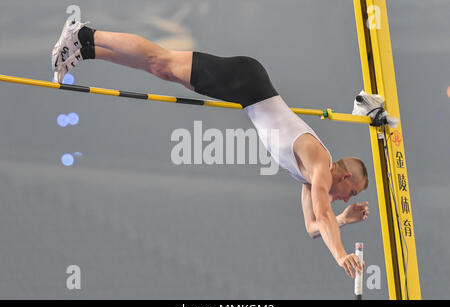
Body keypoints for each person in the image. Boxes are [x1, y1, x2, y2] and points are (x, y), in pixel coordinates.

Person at [52, 19, 370, 278]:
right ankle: (82, 34)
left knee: (159, 68)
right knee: (160, 61)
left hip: (247, 91)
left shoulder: (309, 180)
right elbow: (323, 212)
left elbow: (314, 227)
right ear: (343, 178)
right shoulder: (319, 161)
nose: (348, 198)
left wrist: (344, 219)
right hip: (247, 83)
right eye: (352, 192)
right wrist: (340, 254)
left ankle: (85, 50)